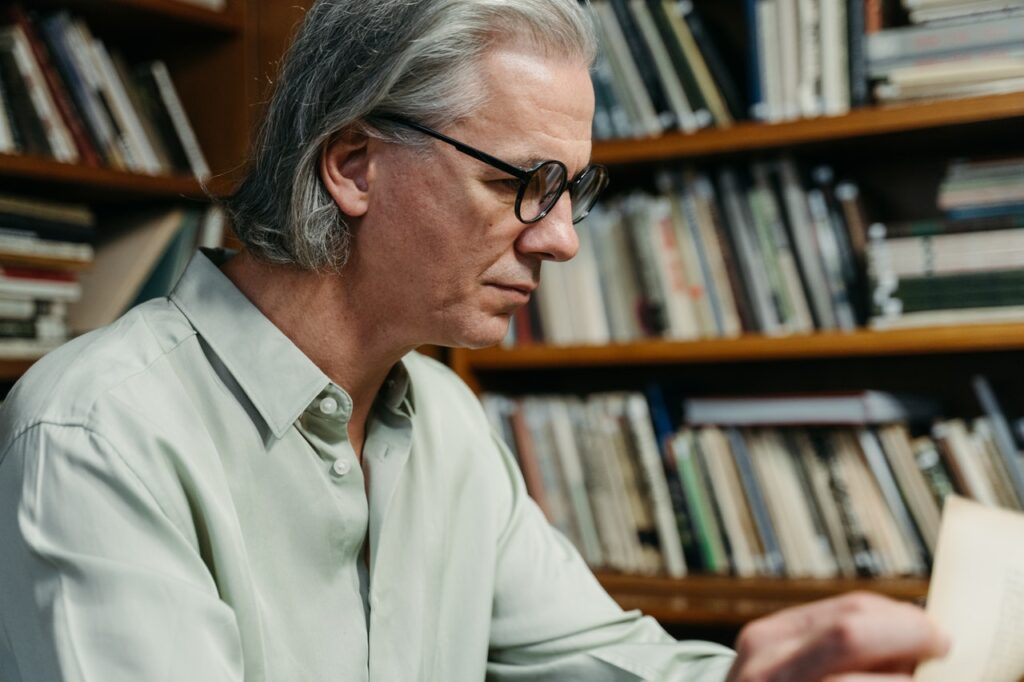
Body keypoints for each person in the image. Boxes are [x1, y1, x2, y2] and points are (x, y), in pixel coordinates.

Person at [0, 1, 950, 680]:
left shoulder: (447, 420)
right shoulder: (95, 434)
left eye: (572, 190)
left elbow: (606, 663)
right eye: (521, 184)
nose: (561, 238)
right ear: (355, 165)